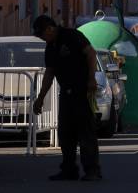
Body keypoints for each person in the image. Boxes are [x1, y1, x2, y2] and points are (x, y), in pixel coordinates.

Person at [32, 15, 102, 181]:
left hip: (82, 91)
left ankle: (92, 170)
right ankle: (69, 169)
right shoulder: (50, 47)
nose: (42, 38)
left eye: (42, 34)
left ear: (50, 28)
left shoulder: (72, 36)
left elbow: (91, 54)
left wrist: (91, 78)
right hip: (66, 93)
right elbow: (49, 74)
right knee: (65, 133)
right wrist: (40, 98)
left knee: (86, 132)